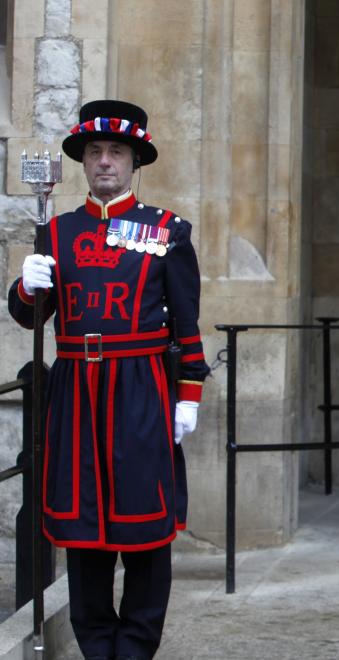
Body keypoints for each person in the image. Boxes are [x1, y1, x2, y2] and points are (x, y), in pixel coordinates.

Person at [8, 99, 209, 660]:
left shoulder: (167, 231)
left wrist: (187, 393)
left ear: (133, 161)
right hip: (74, 392)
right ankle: (97, 646)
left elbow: (186, 320)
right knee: (82, 531)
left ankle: (136, 648)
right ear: (83, 161)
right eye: (94, 152)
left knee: (144, 531)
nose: (103, 162)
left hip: (141, 390)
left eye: (115, 152)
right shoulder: (59, 231)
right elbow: (31, 317)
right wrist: (27, 284)